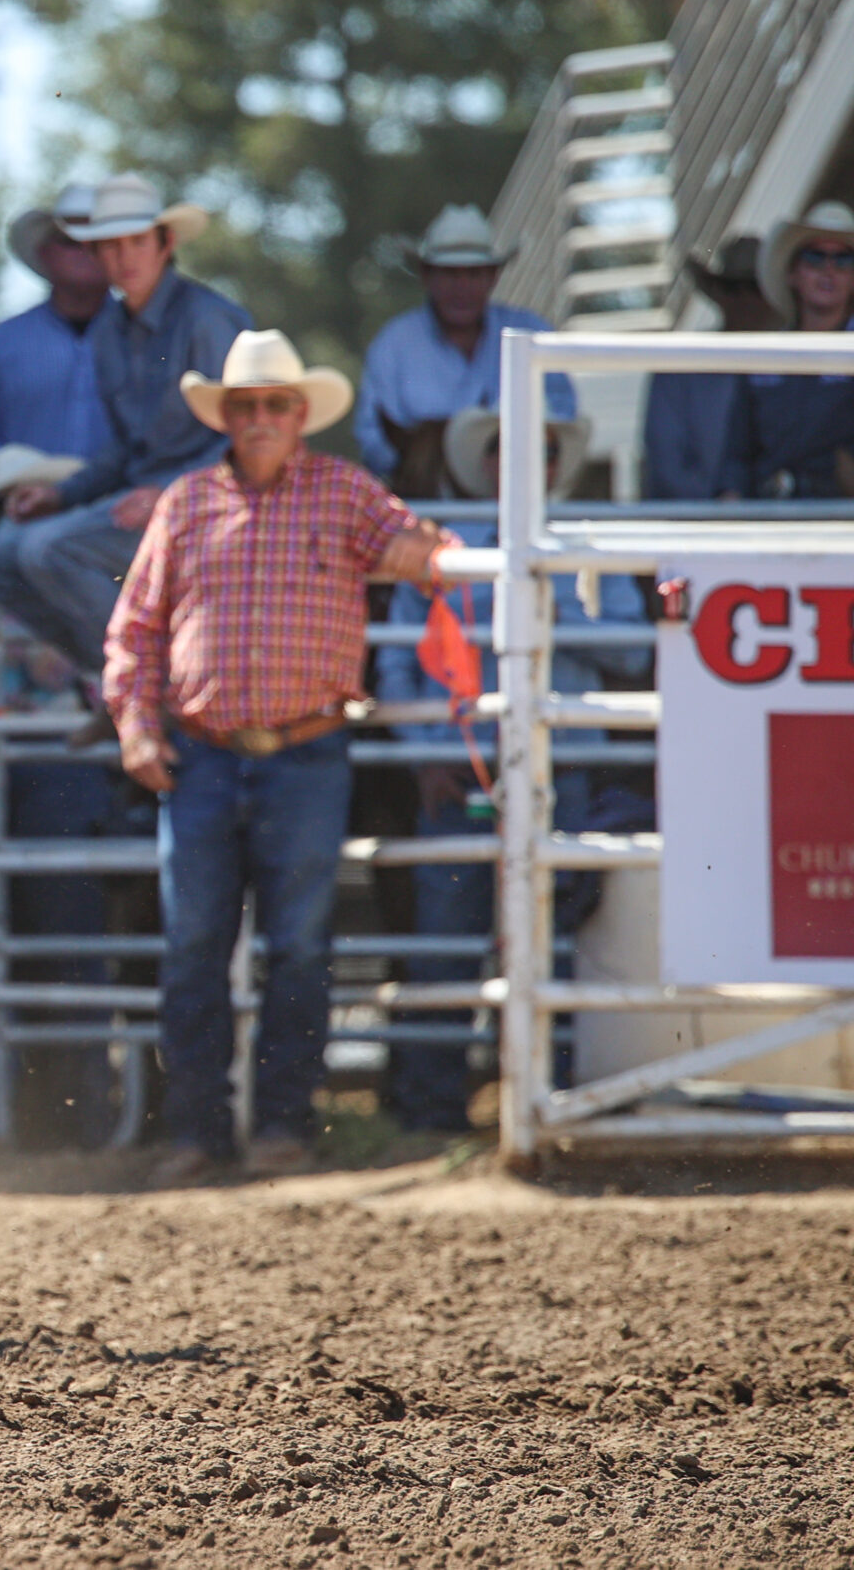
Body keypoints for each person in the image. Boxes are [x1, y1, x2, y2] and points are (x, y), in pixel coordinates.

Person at [103, 329, 448, 1186]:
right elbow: (136, 628)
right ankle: (196, 1128)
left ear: (300, 416)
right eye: (246, 406)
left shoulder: (345, 493)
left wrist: (429, 557)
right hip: (204, 752)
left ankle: (282, 1122)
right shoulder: (186, 504)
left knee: (296, 943)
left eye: (274, 406)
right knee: (195, 943)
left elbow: (414, 545)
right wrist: (138, 725)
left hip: (306, 749)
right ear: (227, 416)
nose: (258, 419)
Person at [374, 406, 649, 1134]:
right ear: (484, 461)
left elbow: (632, 649)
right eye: (508, 447)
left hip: (564, 770)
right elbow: (397, 660)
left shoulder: (584, 546)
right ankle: (432, 1109)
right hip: (462, 768)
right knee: (446, 938)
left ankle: (554, 1096)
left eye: (543, 449)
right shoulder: (439, 548)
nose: (528, 459)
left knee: (556, 937)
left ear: (558, 464)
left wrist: (553, 610)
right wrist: (424, 755)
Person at [0, 173, 252, 679]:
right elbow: (125, 450)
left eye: (137, 241)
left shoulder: (208, 320)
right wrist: (60, 495)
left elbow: (248, 439)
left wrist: (166, 493)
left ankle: (153, 684)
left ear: (164, 244)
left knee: (48, 548)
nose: (125, 257)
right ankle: (120, 681)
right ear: (97, 255)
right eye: (110, 245)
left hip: (216, 502)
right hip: (147, 499)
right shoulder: (110, 332)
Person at [352, 204, 578, 484]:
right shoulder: (393, 345)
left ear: (493, 277)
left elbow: (561, 420)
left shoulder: (532, 331)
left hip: (516, 494)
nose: (462, 287)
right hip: (422, 503)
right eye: (449, 274)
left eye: (473, 274)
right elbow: (374, 442)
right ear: (426, 275)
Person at [0, 185, 110, 493]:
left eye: (99, 242)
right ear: (45, 253)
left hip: (122, 511)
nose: (85, 251)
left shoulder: (147, 337)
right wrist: (32, 477)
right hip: (20, 509)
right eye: (70, 241)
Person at [718, 200, 854, 499]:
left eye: (843, 260)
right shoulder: (765, 356)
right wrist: (730, 509)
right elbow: (737, 455)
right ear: (793, 273)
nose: (828, 269)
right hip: (770, 520)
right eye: (815, 257)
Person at [643, 236, 775, 501]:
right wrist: (724, 509)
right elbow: (668, 470)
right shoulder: (680, 368)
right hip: (696, 532)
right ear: (720, 292)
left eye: (756, 287)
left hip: (783, 529)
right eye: (734, 287)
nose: (746, 299)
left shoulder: (801, 366)